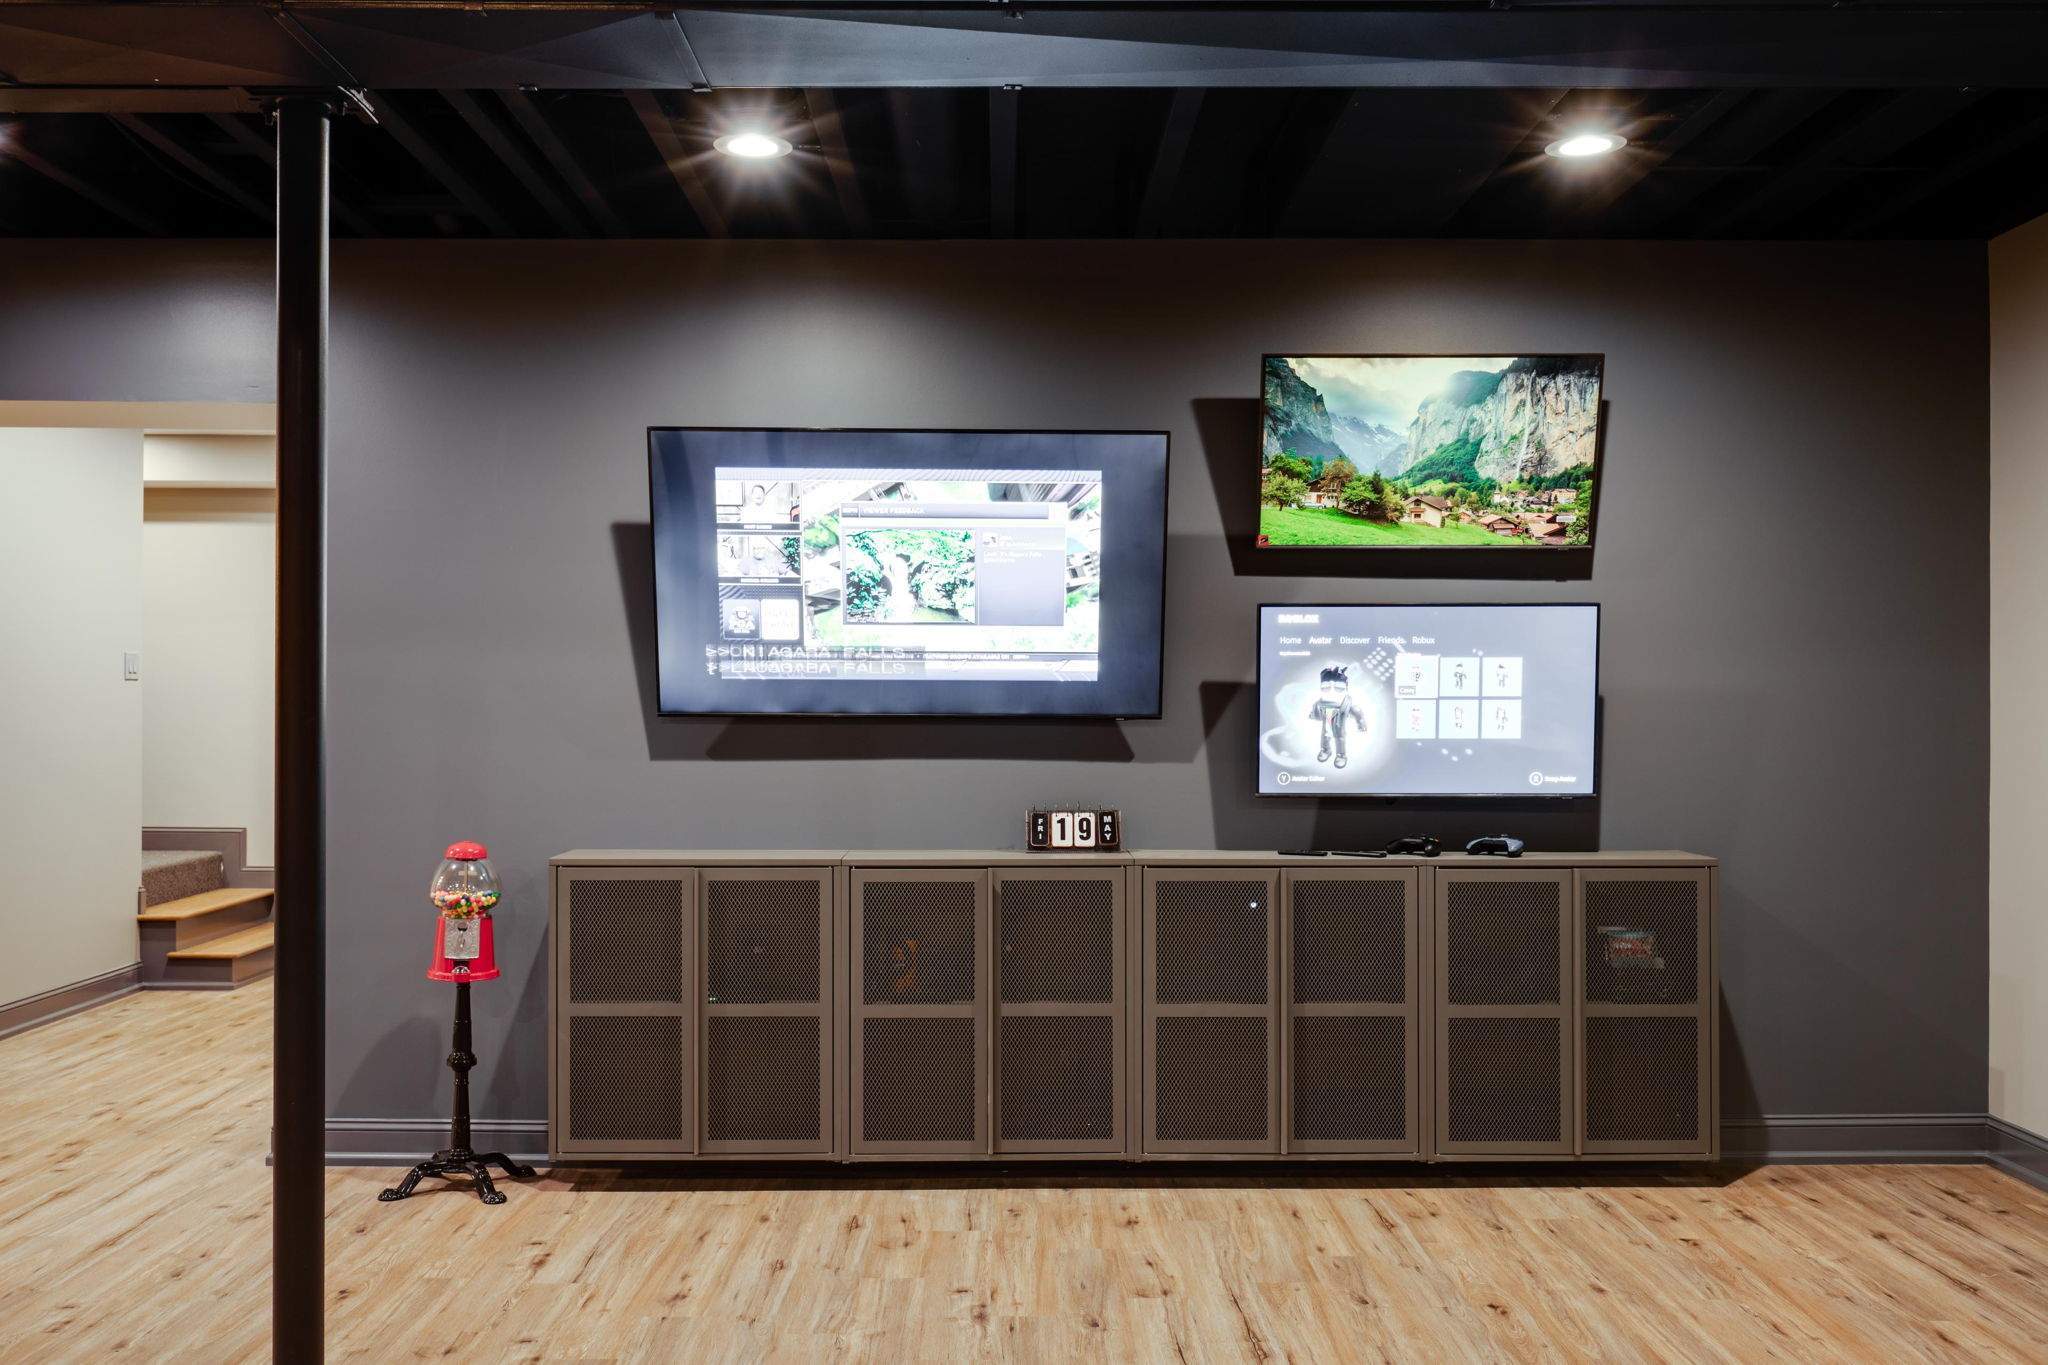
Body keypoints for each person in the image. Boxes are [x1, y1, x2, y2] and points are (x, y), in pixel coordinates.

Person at [1308, 665, 1368, 769]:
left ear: (1346, 687)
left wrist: (1361, 723)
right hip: (1326, 723)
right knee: (1325, 736)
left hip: (1339, 726)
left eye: (1338, 688)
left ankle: (1341, 755)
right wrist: (1314, 715)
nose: (1332, 692)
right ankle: (1325, 750)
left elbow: (1357, 712)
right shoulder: (1320, 703)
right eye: (1326, 688)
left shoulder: (1347, 704)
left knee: (1339, 738)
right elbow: (1315, 710)